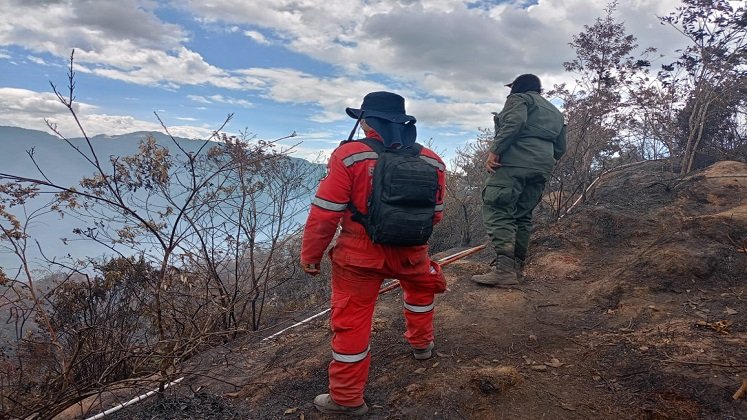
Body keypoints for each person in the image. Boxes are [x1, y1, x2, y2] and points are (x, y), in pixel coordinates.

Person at [300, 91, 447, 416]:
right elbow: (436, 214)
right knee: (421, 293)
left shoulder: (349, 156)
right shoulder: (433, 160)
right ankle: (422, 346)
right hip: (412, 251)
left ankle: (347, 398)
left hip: (358, 257)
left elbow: (325, 213)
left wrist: (311, 255)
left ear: (366, 122)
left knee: (352, 320)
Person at [472, 74, 566, 286]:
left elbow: (515, 122)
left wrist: (495, 151)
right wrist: (541, 161)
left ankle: (504, 271)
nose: (510, 91)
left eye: (511, 87)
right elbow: (561, 148)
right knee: (522, 216)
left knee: (497, 208)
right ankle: (516, 270)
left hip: (514, 164)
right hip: (541, 168)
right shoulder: (555, 111)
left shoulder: (519, 99)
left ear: (518, 86)